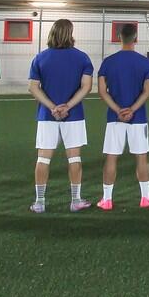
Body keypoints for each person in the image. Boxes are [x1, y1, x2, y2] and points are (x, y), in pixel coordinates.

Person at [27, 19, 94, 213]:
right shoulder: (82, 58)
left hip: (47, 116)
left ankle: (39, 202)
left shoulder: (40, 57)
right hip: (74, 115)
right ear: (71, 33)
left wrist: (52, 107)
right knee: (74, 159)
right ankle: (75, 200)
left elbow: (33, 87)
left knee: (43, 159)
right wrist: (68, 106)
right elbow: (86, 86)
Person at [96, 24, 149, 210]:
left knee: (111, 158)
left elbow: (101, 91)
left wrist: (118, 110)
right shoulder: (145, 62)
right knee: (142, 157)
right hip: (138, 118)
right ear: (135, 38)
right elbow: (148, 91)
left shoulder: (108, 62)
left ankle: (107, 200)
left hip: (115, 118)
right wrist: (131, 110)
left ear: (118, 36)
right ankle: (145, 197)